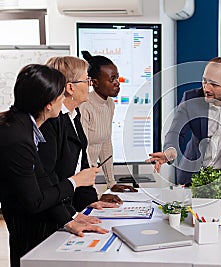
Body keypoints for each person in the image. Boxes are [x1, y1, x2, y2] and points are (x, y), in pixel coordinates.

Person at [0, 64, 108, 267]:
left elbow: (43, 178)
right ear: (49, 104)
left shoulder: (26, 128)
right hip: (25, 220)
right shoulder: (18, 138)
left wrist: (70, 220)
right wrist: (75, 181)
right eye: (61, 96)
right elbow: (35, 201)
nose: (64, 100)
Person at [146, 57, 221, 196]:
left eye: (214, 84)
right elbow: (176, 131)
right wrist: (170, 152)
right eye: (204, 80)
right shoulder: (191, 98)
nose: (206, 88)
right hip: (195, 174)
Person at [39, 56, 120, 221]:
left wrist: (91, 201)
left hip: (65, 208)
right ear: (70, 88)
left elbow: (80, 167)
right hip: (47, 219)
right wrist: (70, 217)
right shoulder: (49, 122)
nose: (89, 84)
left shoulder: (73, 116)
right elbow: (49, 181)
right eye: (86, 80)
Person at [80, 51, 136, 193]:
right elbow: (82, 152)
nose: (117, 83)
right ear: (95, 82)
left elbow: (105, 143)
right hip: (80, 180)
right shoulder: (84, 106)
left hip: (89, 180)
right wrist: (94, 194)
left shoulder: (109, 104)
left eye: (117, 77)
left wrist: (111, 183)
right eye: (112, 79)